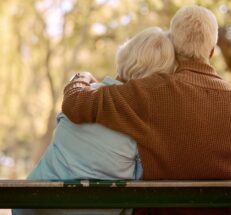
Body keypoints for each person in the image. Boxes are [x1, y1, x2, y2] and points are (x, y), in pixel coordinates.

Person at [62, 5, 231, 215]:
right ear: (212, 50)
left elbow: (75, 104)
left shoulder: (151, 91)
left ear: (172, 44)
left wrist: (82, 76)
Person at [12, 26, 176, 215]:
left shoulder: (81, 97)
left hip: (35, 207)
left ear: (125, 57)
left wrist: (80, 78)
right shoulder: (146, 121)